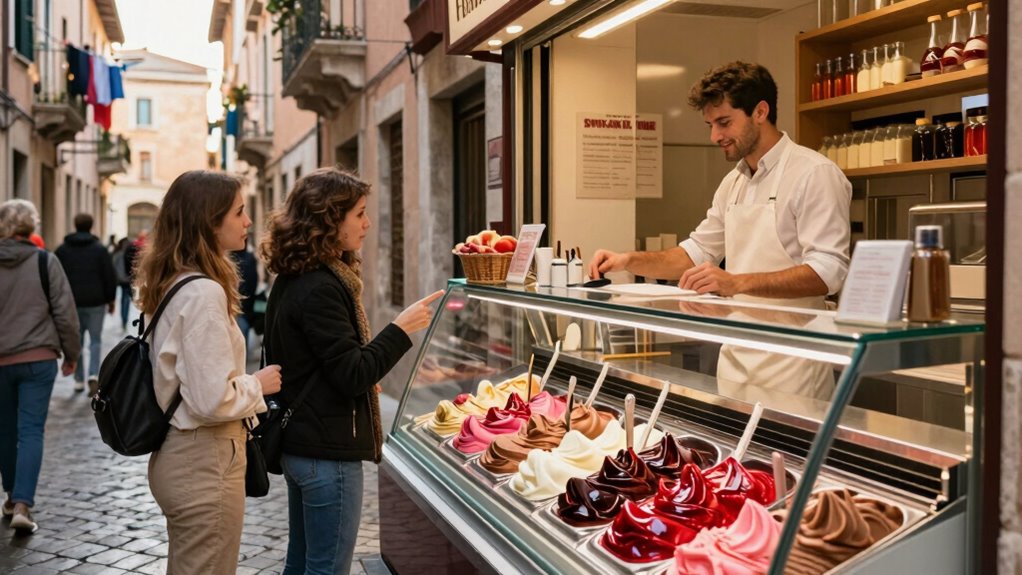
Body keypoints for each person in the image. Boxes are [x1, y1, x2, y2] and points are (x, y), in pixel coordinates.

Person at [589, 61, 851, 399]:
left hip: (793, 368)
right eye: (710, 125)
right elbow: (694, 252)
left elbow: (829, 271)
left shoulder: (814, 174)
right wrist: (627, 259)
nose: (715, 136)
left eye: (724, 122)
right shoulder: (734, 182)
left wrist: (736, 282)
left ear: (760, 111)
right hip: (736, 363)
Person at [260, 168, 443, 575]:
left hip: (303, 443)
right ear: (329, 219)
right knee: (326, 569)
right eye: (359, 213)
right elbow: (352, 373)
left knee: (302, 563)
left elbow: (317, 362)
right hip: (326, 453)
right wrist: (400, 328)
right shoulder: (322, 287)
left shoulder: (294, 277)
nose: (368, 223)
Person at [137, 171, 282, 573]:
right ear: (209, 220)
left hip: (184, 457)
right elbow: (211, 397)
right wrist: (259, 383)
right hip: (204, 461)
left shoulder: (175, 281)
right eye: (239, 212)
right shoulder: (202, 292)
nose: (248, 221)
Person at [0, 199, 81, 534]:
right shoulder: (46, 262)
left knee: (5, 430)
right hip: (38, 359)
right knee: (30, 430)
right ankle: (22, 504)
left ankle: (9, 496)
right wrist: (71, 353)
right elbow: (65, 313)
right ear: (31, 227)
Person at [55, 213, 117, 395]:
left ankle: (79, 379)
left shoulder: (62, 250)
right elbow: (109, 276)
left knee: (77, 341)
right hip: (96, 302)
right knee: (96, 340)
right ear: (91, 226)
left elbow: (56, 278)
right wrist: (111, 299)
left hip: (71, 303)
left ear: (75, 225)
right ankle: (93, 375)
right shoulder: (100, 249)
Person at [230, 243, 258, 350]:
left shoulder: (228, 257)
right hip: (242, 309)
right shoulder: (249, 258)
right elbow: (252, 284)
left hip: (237, 307)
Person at [111, 238, 133, 329]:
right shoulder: (120, 254)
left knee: (125, 300)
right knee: (124, 300)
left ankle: (124, 319)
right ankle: (124, 319)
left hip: (125, 281)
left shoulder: (126, 254)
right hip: (123, 280)